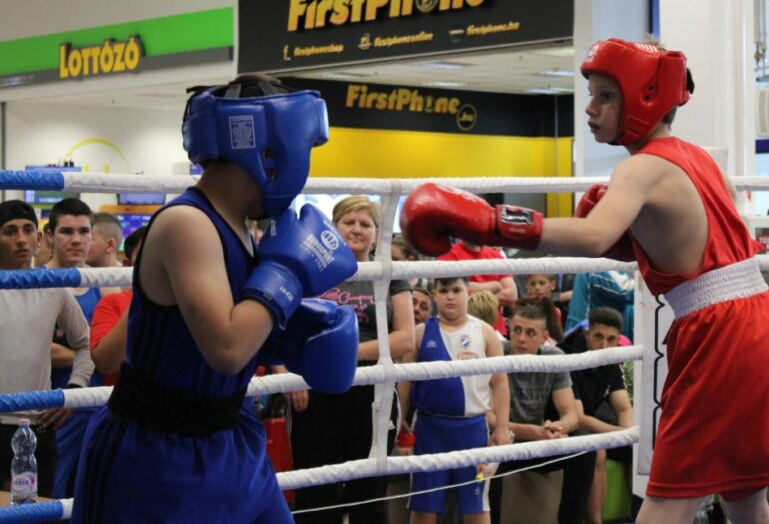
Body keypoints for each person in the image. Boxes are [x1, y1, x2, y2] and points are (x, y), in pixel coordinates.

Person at [400, 39, 769, 524]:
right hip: (758, 317)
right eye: (591, 94)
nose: (590, 109)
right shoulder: (700, 160)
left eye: (606, 96)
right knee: (744, 495)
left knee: (670, 493)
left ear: (644, 97)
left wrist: (489, 222)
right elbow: (698, 240)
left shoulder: (641, 167)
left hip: (720, 326)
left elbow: (592, 236)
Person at [71, 74, 360, 523]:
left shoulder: (242, 226)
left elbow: (196, 335)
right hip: (158, 456)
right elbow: (226, 349)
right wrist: (285, 275)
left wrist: (287, 333)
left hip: (230, 437)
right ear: (269, 147)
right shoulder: (188, 224)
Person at [287, 194, 414, 524]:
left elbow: (405, 337)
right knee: (315, 486)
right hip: (316, 383)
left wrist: (343, 351)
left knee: (369, 489)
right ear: (333, 226)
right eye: (349, 222)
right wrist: (289, 374)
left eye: (365, 224)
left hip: (370, 388)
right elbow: (285, 325)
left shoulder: (389, 274)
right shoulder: (311, 268)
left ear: (376, 233)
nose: (357, 229)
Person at [0, 199, 93, 498]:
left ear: (39, 238)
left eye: (28, 230)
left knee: (35, 514)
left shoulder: (53, 288)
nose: (21, 239)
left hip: (36, 427)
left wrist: (74, 390)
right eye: (10, 231)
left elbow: (87, 344)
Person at [399, 276, 510, 524]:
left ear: (468, 293)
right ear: (435, 294)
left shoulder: (485, 332)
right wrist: (400, 421)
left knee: (476, 506)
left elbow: (500, 382)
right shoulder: (419, 333)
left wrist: (502, 427)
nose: (450, 296)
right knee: (423, 507)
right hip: (429, 429)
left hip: (472, 430)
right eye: (444, 290)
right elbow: (405, 381)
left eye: (456, 290)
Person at [489, 299, 579, 524]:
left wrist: (557, 427)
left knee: (584, 450)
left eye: (530, 333)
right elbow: (488, 418)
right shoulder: (496, 352)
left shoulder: (554, 358)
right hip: (502, 439)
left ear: (543, 337)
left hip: (538, 441)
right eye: (517, 330)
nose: (521, 338)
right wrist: (529, 432)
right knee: (487, 452)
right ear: (509, 328)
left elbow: (571, 414)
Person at [44, 198, 103, 499]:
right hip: (51, 409)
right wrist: (94, 354)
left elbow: (117, 352)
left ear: (93, 235)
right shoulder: (34, 283)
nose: (77, 239)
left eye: (84, 231)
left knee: (92, 495)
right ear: (50, 236)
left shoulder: (108, 282)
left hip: (97, 405)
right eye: (67, 231)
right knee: (49, 493)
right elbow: (34, 349)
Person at [558, 307, 633, 524]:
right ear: (587, 334)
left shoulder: (611, 360)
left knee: (639, 447)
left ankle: (638, 516)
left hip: (594, 425)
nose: (604, 345)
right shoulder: (570, 357)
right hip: (566, 426)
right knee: (597, 450)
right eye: (598, 337)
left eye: (611, 339)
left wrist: (628, 435)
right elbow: (578, 417)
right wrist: (621, 433)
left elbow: (624, 409)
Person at [88, 226, 148, 385]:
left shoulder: (194, 303)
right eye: (149, 253)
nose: (161, 260)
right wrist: (147, 298)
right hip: (128, 403)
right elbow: (106, 364)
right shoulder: (112, 303)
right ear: (128, 265)